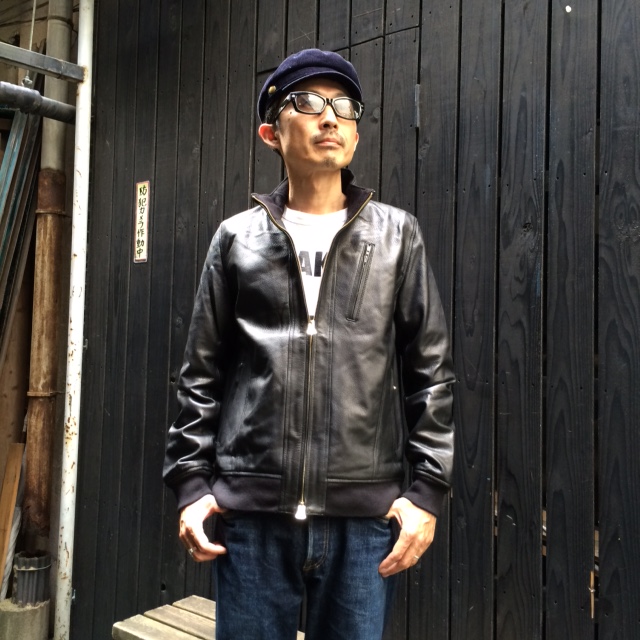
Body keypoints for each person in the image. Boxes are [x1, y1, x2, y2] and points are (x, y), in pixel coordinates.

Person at [163, 48, 455, 640]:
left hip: (363, 523)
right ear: (271, 132)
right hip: (251, 518)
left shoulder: (397, 236)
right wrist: (191, 486)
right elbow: (201, 373)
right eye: (308, 101)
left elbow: (431, 373)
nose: (330, 117)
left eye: (344, 107)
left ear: (355, 133)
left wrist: (426, 492)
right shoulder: (236, 239)